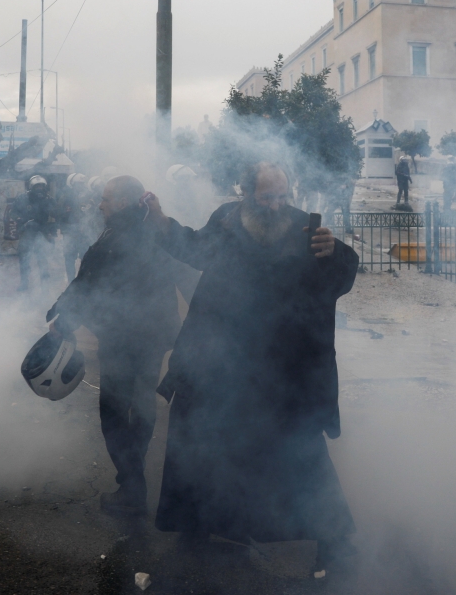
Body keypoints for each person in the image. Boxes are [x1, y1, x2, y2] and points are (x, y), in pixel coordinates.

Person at [144, 161, 358, 576]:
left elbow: (341, 274)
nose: (276, 205)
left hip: (284, 368)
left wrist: (335, 252)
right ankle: (197, 524)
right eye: (266, 197)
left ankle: (334, 541)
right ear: (246, 193)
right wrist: (160, 220)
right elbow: (194, 250)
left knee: (301, 454)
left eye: (282, 196)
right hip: (222, 361)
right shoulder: (225, 220)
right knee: (203, 441)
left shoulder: (306, 228)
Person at [49, 176, 180, 516]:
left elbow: (90, 281)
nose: (100, 204)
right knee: (141, 404)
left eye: (106, 199)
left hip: (125, 338)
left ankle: (132, 485)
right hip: (151, 336)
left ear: (122, 202)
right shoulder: (152, 230)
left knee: (115, 411)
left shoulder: (118, 236)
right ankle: (134, 475)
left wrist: (64, 315)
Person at [12, 175, 58, 291]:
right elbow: (13, 213)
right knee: (24, 259)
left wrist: (51, 233)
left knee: (42, 259)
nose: (40, 189)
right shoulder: (22, 198)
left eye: (42, 186)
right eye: (37, 186)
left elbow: (55, 217)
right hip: (27, 232)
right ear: (31, 187)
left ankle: (44, 284)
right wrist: (23, 223)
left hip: (42, 233)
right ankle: (24, 283)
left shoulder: (49, 200)